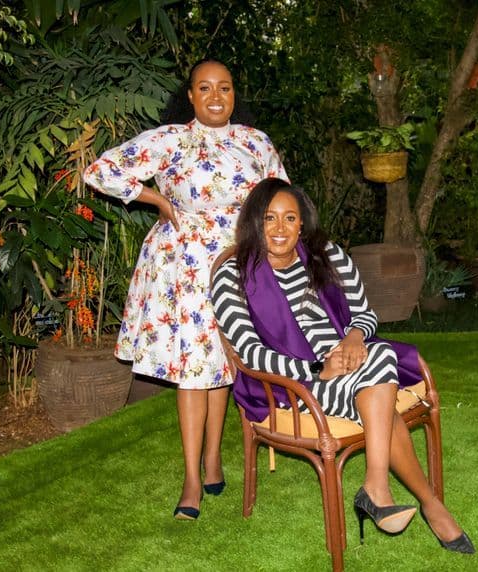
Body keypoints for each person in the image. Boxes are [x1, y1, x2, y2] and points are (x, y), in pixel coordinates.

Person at [211, 178, 474, 553]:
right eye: (270, 219)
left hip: (352, 364)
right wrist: (317, 368)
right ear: (254, 222)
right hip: (291, 385)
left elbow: (365, 316)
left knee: (376, 353)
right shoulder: (233, 274)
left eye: (290, 218)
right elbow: (249, 353)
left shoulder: (327, 255)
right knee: (382, 369)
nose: (280, 229)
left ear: (302, 223)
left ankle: (377, 487)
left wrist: (352, 338)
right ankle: (428, 505)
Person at [83, 59, 288, 521]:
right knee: (195, 370)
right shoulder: (171, 138)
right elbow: (101, 170)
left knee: (222, 365)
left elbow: (282, 200)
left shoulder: (257, 142)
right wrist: (154, 198)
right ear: (191, 96)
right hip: (186, 266)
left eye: (225, 87)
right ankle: (192, 479)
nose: (216, 97)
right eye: (205, 88)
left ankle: (213, 459)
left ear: (235, 94)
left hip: (240, 264)